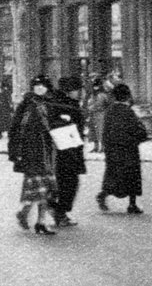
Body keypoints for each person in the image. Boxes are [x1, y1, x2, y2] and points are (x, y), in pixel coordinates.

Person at [7, 75, 61, 235]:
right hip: (32, 154)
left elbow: (52, 125)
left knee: (45, 190)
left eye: (43, 86)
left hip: (47, 154)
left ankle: (40, 221)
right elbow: (16, 130)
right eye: (37, 86)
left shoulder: (47, 104)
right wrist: (15, 152)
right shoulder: (27, 106)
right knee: (38, 189)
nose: (40, 88)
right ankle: (26, 214)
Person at [98, 83, 148, 214]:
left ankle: (103, 194)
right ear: (127, 96)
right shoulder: (129, 112)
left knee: (113, 175)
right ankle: (132, 204)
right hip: (129, 149)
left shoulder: (110, 111)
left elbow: (106, 131)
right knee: (132, 176)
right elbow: (137, 130)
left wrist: (106, 146)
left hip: (113, 149)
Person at [49, 76, 87, 228]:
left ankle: (57, 209)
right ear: (70, 91)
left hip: (68, 148)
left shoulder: (62, 102)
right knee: (69, 182)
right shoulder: (65, 105)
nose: (80, 93)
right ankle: (60, 212)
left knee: (64, 182)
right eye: (78, 90)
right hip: (66, 149)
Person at [85, 77, 111, 153]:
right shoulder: (92, 95)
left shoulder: (103, 95)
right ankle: (95, 147)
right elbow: (88, 104)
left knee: (101, 131)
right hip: (93, 114)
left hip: (101, 114)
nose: (95, 88)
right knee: (93, 131)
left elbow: (107, 104)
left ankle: (102, 147)